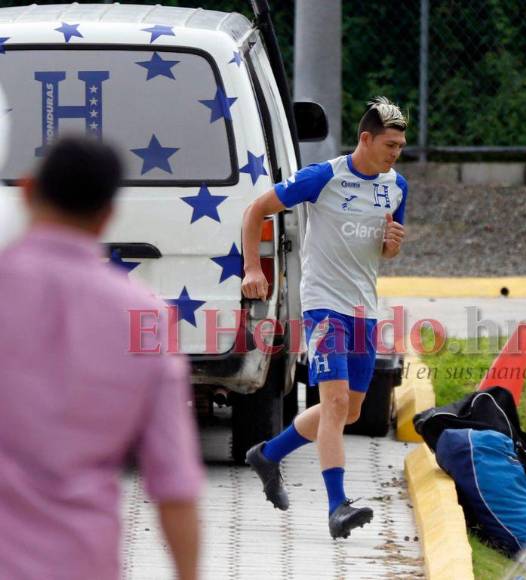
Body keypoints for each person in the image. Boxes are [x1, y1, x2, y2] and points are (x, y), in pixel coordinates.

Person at [0, 136, 204, 580]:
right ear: (108, 215)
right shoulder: (145, 318)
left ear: (29, 190)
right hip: (79, 561)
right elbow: (174, 484)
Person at [241, 97, 408, 539]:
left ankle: (268, 454)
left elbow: (387, 251)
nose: (395, 153)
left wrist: (392, 244)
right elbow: (256, 210)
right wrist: (253, 268)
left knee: (349, 412)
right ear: (366, 139)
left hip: (363, 312)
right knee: (333, 404)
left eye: (401, 146)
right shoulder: (324, 178)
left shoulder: (397, 187)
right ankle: (337, 506)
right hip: (323, 308)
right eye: (389, 144)